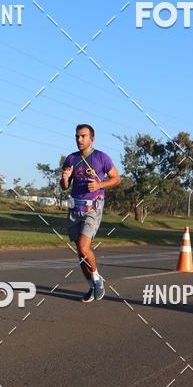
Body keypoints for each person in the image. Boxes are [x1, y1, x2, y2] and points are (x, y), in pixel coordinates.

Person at [60, 124, 120, 301]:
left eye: (83, 136)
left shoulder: (102, 158)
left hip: (93, 207)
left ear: (92, 139)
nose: (79, 139)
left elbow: (116, 178)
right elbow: (64, 187)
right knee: (80, 253)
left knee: (84, 247)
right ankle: (92, 285)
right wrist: (64, 179)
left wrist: (99, 185)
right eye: (77, 136)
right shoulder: (71, 159)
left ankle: (97, 279)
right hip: (74, 208)